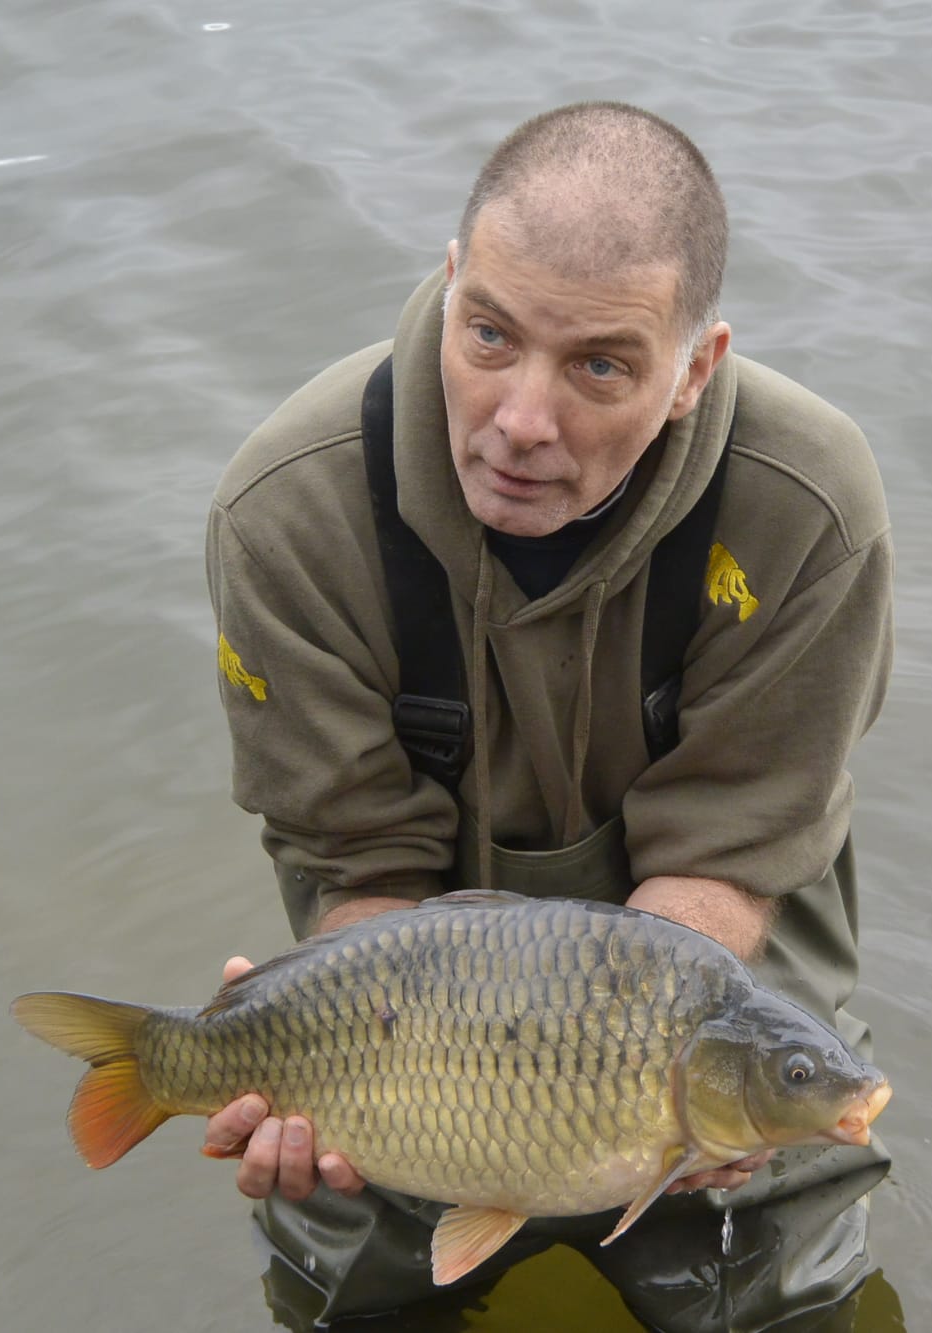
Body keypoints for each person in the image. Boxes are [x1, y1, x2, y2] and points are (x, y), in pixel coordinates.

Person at [201, 101, 894, 1331]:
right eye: (489, 336)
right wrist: (337, 1042)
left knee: (782, 1276)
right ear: (453, 279)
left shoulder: (808, 505)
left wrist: (671, 1114)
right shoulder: (284, 512)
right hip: (410, 1008)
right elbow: (353, 853)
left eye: (600, 367)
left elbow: (728, 857)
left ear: (694, 368)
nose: (521, 421)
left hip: (706, 973)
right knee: (335, 1279)